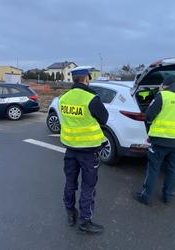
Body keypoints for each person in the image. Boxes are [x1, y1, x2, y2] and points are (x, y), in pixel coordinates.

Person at [59, 66, 108, 234]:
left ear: (74, 79)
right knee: (88, 186)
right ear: (86, 78)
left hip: (70, 149)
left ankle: (70, 212)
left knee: (70, 182)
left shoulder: (63, 98)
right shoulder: (92, 98)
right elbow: (104, 118)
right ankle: (85, 220)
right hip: (88, 152)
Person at [134, 75, 175, 205]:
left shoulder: (163, 96)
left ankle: (145, 196)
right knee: (172, 170)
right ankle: (168, 196)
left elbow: (149, 115)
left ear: (165, 85)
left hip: (160, 141)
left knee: (153, 169)